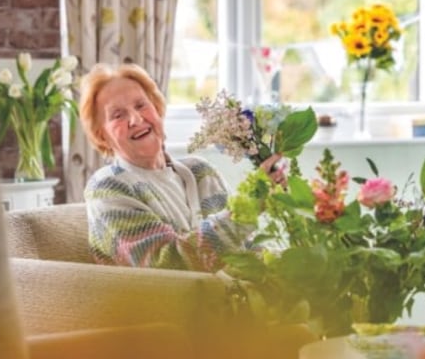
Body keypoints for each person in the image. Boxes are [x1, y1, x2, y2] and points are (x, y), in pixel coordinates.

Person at [79, 62, 285, 272]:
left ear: (157, 109)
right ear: (101, 135)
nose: (136, 119)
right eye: (117, 115)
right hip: (171, 305)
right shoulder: (107, 188)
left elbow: (248, 248)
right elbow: (170, 265)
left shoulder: (200, 171)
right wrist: (247, 208)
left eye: (141, 105)